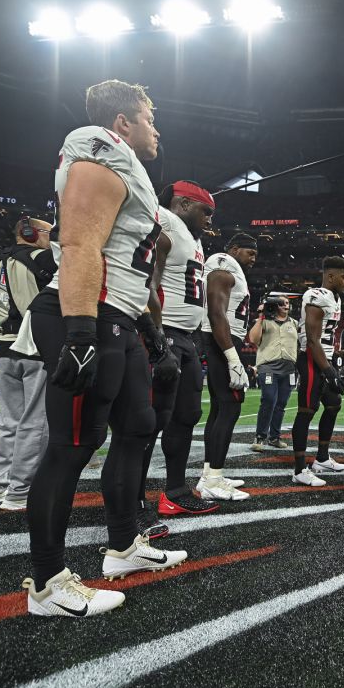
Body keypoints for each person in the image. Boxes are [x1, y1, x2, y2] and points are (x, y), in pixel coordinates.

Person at [21, 79, 186, 619]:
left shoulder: (129, 167)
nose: (155, 129)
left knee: (139, 425)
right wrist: (78, 332)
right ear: (122, 123)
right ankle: (47, 584)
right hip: (88, 314)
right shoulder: (97, 146)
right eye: (148, 117)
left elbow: (125, 256)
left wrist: (149, 325)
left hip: (120, 314)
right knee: (73, 445)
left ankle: (121, 548)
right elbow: (81, 244)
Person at [0, 216, 58, 511]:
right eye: (48, 232)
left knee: (7, 421)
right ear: (30, 233)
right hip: (37, 345)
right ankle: (19, 491)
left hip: (5, 347)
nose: (50, 237)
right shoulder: (45, 256)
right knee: (35, 422)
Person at [139, 180, 219, 524]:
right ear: (183, 204)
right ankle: (133, 500)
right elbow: (148, 280)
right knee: (149, 420)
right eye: (206, 211)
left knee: (186, 415)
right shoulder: (166, 223)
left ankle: (175, 492)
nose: (210, 220)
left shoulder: (192, 237)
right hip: (165, 334)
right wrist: (156, 339)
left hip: (186, 338)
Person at [198, 234, 260, 499]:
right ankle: (213, 479)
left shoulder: (234, 270)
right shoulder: (224, 264)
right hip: (221, 341)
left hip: (222, 341)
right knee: (230, 406)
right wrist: (232, 357)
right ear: (234, 249)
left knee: (220, 408)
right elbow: (216, 313)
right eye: (250, 252)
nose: (254, 259)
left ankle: (209, 474)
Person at [291, 256, 344, 486]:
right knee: (306, 411)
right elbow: (311, 341)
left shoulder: (334, 298)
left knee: (333, 404)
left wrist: (333, 362)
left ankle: (322, 458)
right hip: (310, 358)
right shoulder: (316, 296)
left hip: (325, 358)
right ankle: (299, 470)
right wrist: (329, 371)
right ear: (330, 276)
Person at [249, 294, 299, 451]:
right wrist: (260, 316)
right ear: (276, 306)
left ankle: (274, 437)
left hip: (289, 367)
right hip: (269, 366)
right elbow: (253, 339)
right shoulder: (265, 322)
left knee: (281, 404)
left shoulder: (294, 323)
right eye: (283, 303)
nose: (286, 305)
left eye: (288, 303)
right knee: (269, 399)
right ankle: (260, 436)